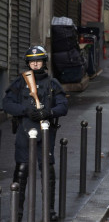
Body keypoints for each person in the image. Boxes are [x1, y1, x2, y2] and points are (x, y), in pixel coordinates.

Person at [2, 46, 69, 222]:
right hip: (24, 132)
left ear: (44, 62)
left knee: (48, 171)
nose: (36, 64)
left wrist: (48, 112)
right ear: (28, 63)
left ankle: (50, 210)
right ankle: (18, 213)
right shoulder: (20, 82)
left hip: (46, 133)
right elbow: (6, 104)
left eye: (38, 60)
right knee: (21, 171)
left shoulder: (53, 84)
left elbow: (63, 106)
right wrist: (25, 110)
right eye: (32, 61)